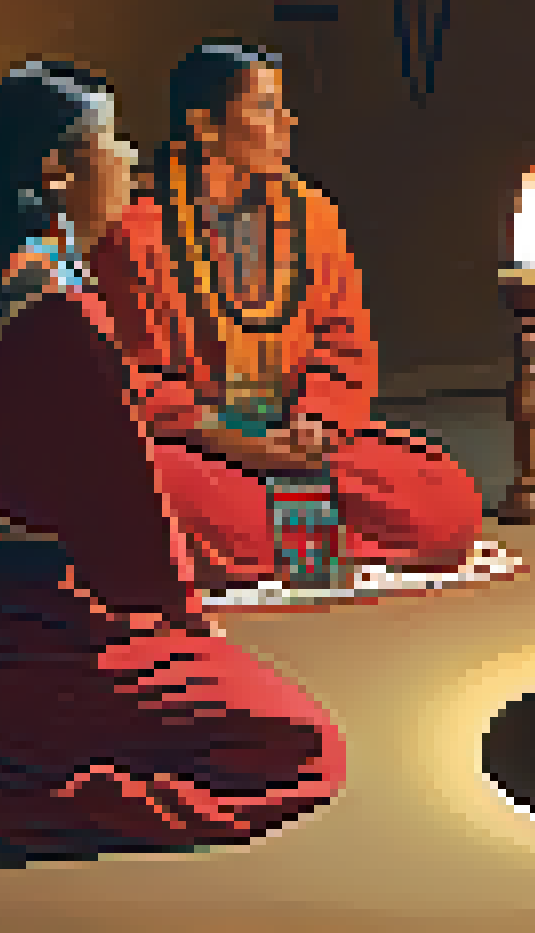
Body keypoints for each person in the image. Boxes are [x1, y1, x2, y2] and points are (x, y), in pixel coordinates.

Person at [0, 63, 344, 854]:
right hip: (29, 633)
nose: (129, 156)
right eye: (112, 140)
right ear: (60, 171)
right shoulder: (54, 310)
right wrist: (186, 634)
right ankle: (12, 764)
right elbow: (131, 542)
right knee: (298, 741)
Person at [89, 41, 492, 595]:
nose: (286, 122)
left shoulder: (314, 215)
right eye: (264, 107)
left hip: (297, 438)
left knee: (445, 499)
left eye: (283, 106)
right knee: (160, 495)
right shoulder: (135, 230)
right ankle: (294, 537)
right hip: (199, 446)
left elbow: (344, 347)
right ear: (204, 126)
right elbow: (121, 376)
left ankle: (274, 542)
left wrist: (316, 420)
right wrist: (227, 436)